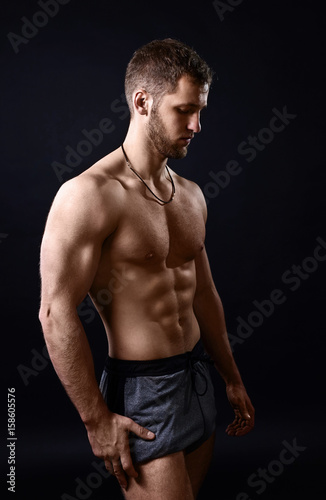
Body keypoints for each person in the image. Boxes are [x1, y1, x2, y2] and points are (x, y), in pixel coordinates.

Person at [39, 38, 255, 500]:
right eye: (185, 110)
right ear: (143, 102)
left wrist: (231, 378)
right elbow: (56, 314)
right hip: (142, 395)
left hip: (196, 378)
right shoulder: (89, 195)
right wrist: (96, 418)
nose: (197, 125)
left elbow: (204, 296)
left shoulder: (192, 194)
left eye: (200, 110)